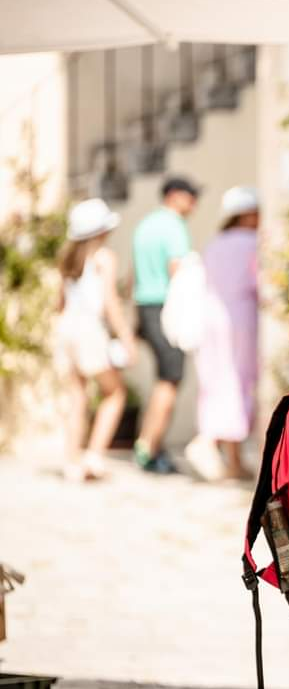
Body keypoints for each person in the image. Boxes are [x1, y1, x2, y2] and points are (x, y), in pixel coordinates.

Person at [55, 198, 137, 482]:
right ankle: (94, 456)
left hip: (66, 329)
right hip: (90, 329)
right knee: (115, 393)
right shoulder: (104, 257)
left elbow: (60, 302)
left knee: (77, 396)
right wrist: (126, 337)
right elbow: (110, 303)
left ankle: (71, 461)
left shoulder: (67, 260)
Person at [185, 186, 260, 480]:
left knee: (219, 381)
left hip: (211, 318)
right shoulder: (253, 243)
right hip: (240, 317)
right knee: (239, 381)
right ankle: (209, 442)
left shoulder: (215, 244)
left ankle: (233, 461)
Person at [131, 175, 198, 474]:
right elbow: (178, 273)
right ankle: (150, 448)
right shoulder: (174, 226)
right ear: (174, 195)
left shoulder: (145, 225)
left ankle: (146, 443)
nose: (194, 203)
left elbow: (133, 274)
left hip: (144, 306)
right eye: (190, 195)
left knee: (163, 379)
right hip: (165, 308)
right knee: (170, 380)